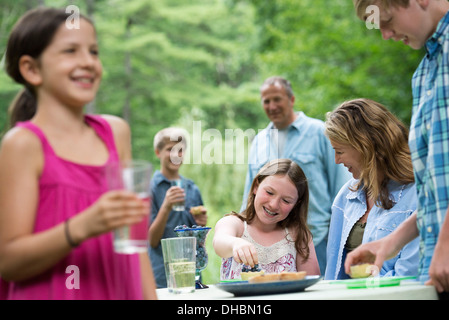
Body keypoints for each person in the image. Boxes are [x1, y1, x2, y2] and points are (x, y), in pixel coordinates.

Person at [0, 7, 157, 299]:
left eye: (94, 51)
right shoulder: (22, 144)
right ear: (32, 69)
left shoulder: (116, 133)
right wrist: (82, 226)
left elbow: (135, 246)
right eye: (70, 51)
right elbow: (8, 261)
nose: (88, 62)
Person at [348, 0, 449, 296]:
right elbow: (436, 193)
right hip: (437, 270)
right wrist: (390, 243)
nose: (386, 35)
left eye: (388, 20)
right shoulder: (425, 74)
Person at [241, 76, 351, 274]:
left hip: (318, 240)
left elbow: (342, 187)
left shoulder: (319, 132)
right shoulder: (259, 141)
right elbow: (250, 194)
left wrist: (339, 238)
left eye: (277, 99)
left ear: (291, 100)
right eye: (266, 101)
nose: (272, 105)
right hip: (271, 248)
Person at [323, 98, 419, 280]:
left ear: (365, 146)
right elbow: (333, 273)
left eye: (340, 151)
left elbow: (411, 276)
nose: (336, 160)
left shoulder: (416, 194)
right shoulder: (346, 195)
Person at [215, 158, 320, 280]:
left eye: (286, 200)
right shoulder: (235, 224)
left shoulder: (299, 236)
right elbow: (219, 242)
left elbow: (312, 282)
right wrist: (235, 243)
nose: (274, 205)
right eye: (269, 192)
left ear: (296, 204)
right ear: (255, 187)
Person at [148, 127, 207, 288]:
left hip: (191, 274)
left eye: (180, 150)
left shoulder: (192, 188)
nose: (176, 154)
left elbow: (199, 239)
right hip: (162, 275)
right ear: (158, 152)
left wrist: (201, 223)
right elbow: (151, 240)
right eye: (169, 149)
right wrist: (166, 207)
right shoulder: (150, 188)